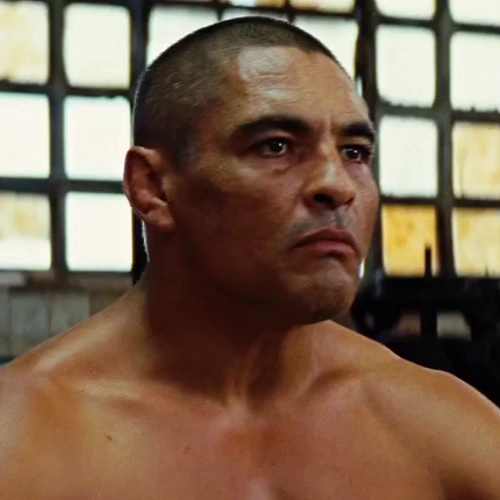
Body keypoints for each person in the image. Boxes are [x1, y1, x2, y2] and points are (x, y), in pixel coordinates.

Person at [1, 16, 499, 500]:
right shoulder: (25, 437)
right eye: (275, 146)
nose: (337, 185)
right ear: (152, 187)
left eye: (354, 153)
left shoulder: (436, 423)